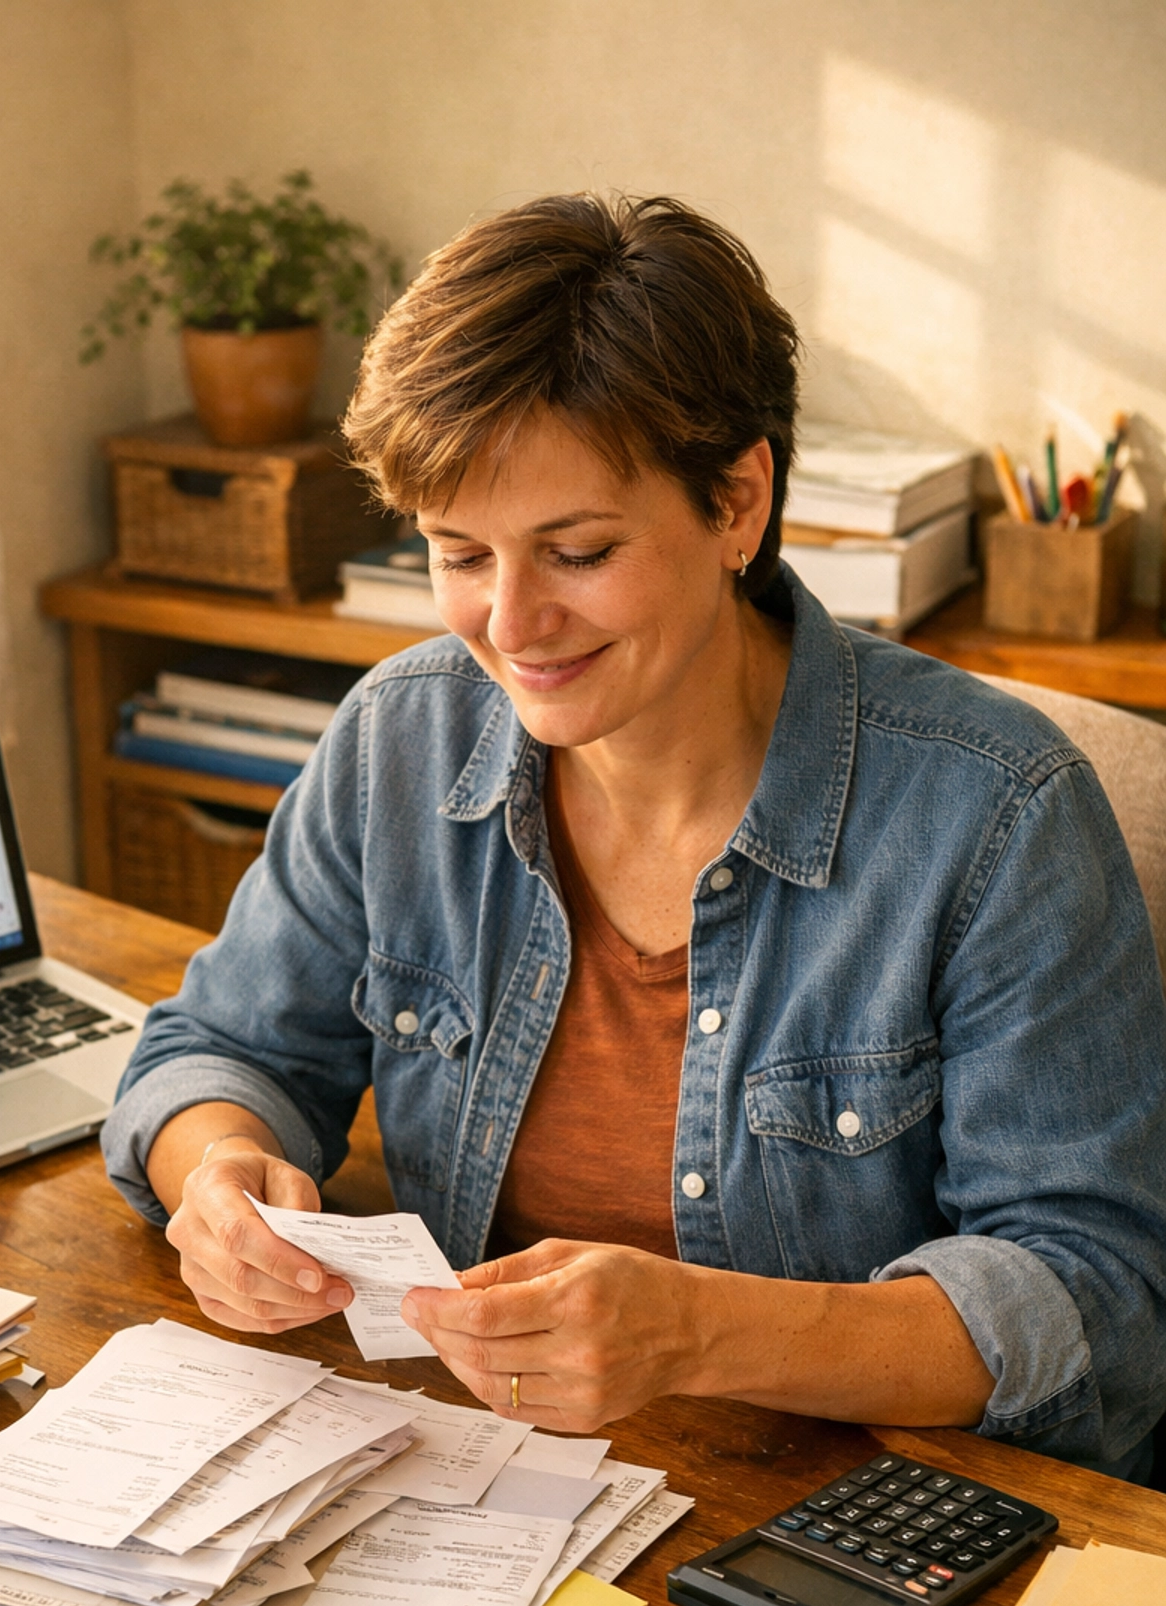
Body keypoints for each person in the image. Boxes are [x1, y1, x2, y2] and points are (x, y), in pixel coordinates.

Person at [103, 193, 1166, 1479]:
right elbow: (218, 1045)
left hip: (838, 1517)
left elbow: (1091, 1301)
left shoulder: (997, 814)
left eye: (580, 551)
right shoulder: (400, 739)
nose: (510, 624)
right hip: (480, 1481)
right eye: (459, 553)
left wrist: (703, 1333)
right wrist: (216, 1171)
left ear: (737, 504)